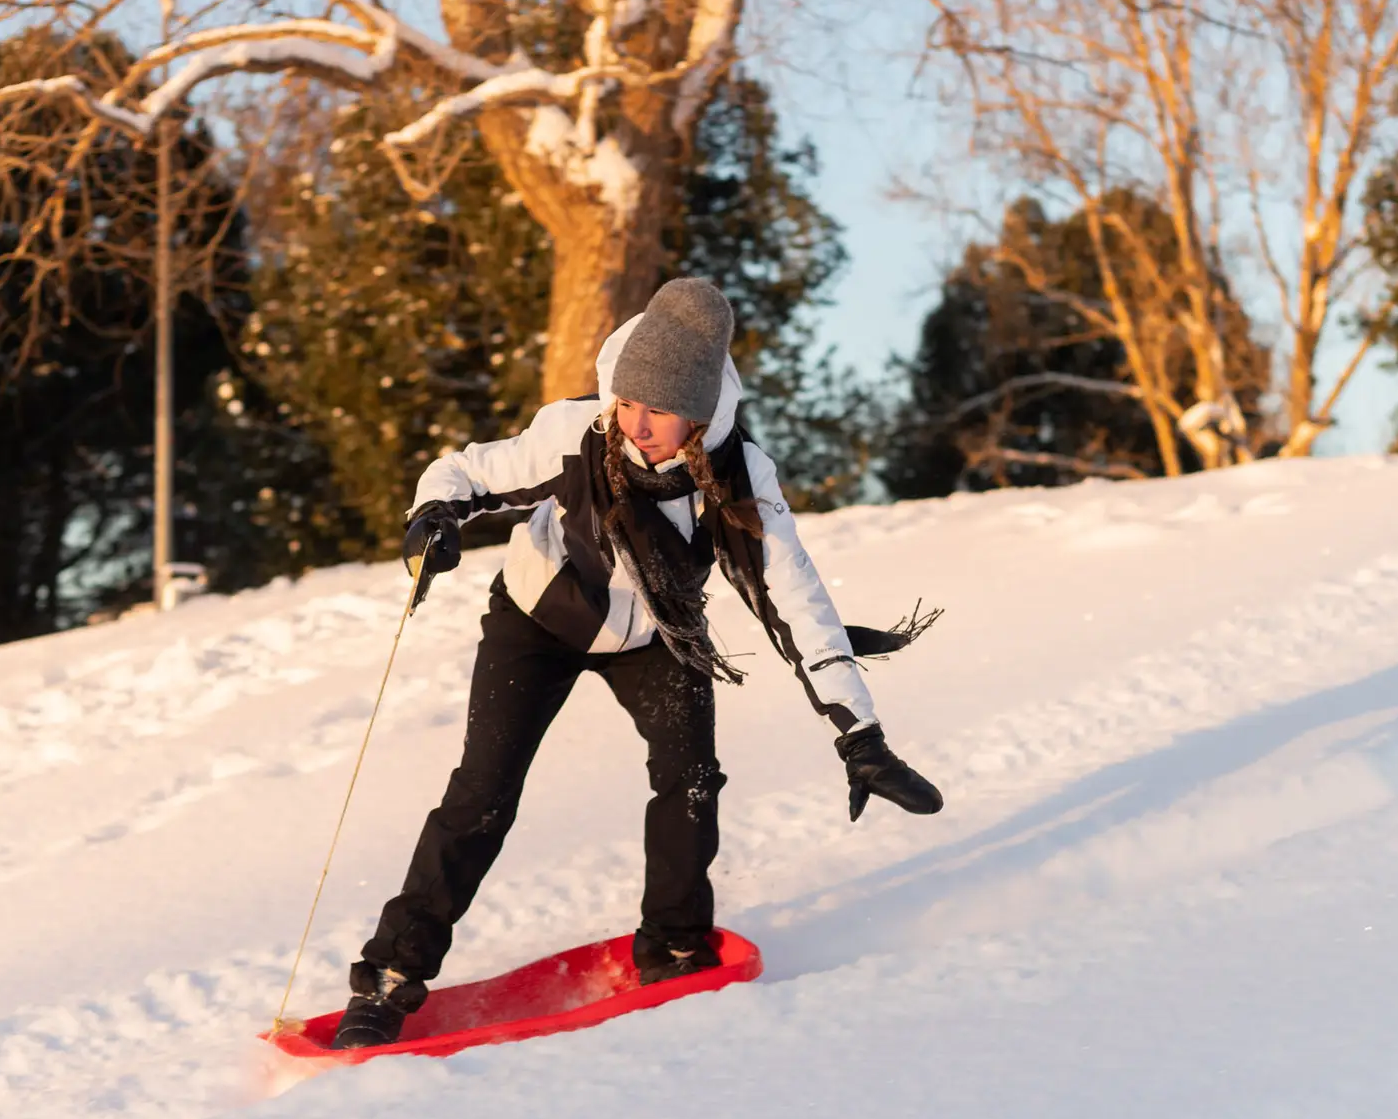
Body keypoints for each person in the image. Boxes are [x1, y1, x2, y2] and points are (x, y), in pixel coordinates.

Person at [334, 277, 943, 1049]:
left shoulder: (738, 478)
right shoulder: (578, 432)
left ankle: (675, 946)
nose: (636, 424)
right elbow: (467, 472)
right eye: (627, 402)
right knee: (482, 794)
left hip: (660, 634)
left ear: (699, 413)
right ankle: (390, 978)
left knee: (691, 780)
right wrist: (433, 516)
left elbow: (798, 600)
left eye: (658, 409)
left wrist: (862, 736)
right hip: (537, 620)